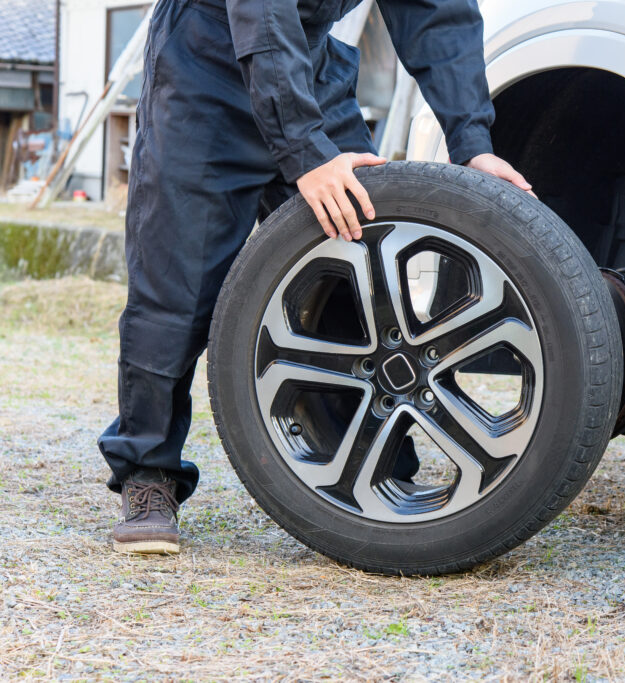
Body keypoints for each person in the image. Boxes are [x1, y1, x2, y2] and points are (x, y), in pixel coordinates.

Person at [97, 0, 533, 555]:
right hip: (206, 73)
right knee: (177, 291)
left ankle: (369, 457)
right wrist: (305, 152)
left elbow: (436, 11)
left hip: (308, 69)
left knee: (359, 281)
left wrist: (473, 143)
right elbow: (262, 13)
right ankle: (148, 472)